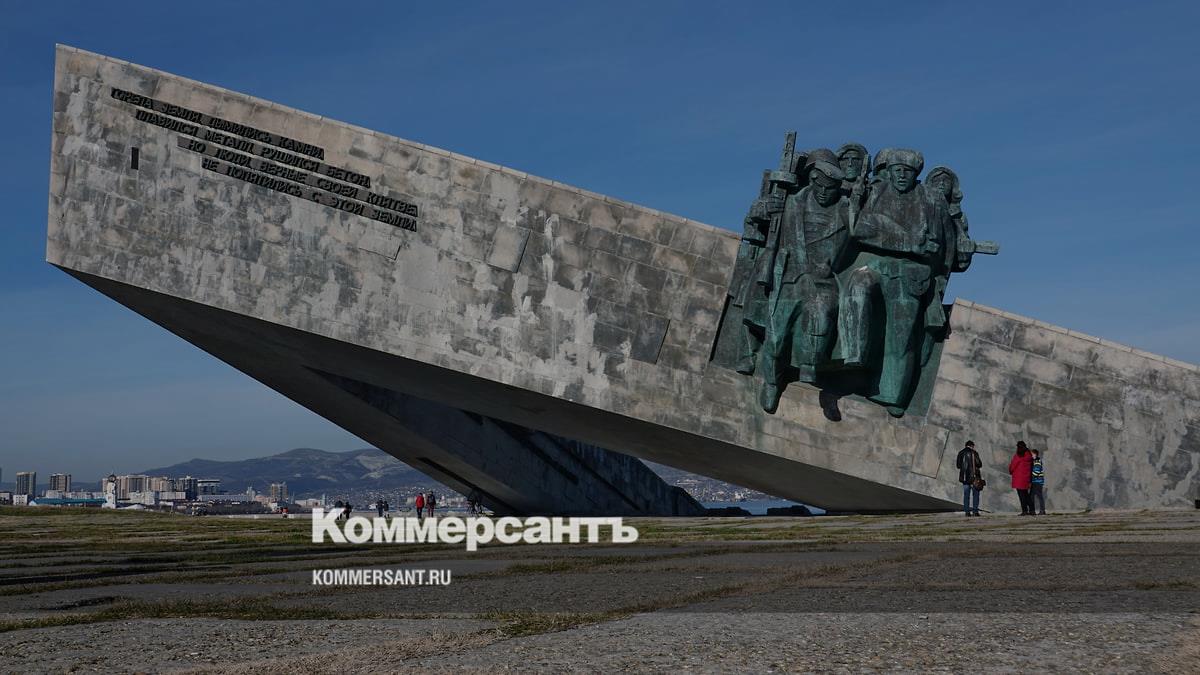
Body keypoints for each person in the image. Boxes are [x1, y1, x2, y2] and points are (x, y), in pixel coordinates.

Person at [956, 440, 983, 516]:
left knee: (966, 495)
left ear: (966, 445)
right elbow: (979, 464)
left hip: (965, 478)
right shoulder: (974, 453)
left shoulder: (961, 453)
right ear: (972, 446)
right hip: (974, 478)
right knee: (976, 495)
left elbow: (958, 466)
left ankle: (967, 512)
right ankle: (975, 511)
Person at [1008, 441, 1034, 515]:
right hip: (1026, 478)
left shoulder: (1018, 456)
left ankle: (1024, 511)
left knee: (1021, 496)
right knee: (1026, 495)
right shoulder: (1029, 456)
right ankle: (1032, 510)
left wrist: (1010, 471)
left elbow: (1012, 466)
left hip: (1018, 479)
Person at [1030, 449, 1046, 515]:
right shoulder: (1035, 461)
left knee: (1039, 496)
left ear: (1035, 454)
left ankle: (1042, 510)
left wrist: (1029, 476)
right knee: (1032, 496)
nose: (1031, 456)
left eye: (1031, 454)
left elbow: (1036, 472)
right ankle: (1033, 510)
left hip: (1037, 482)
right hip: (1035, 481)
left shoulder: (1037, 462)